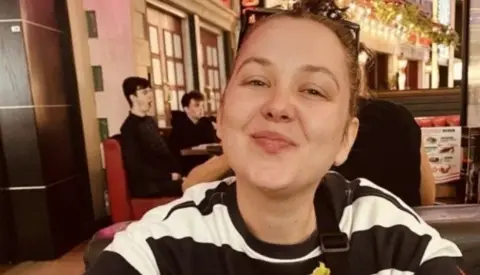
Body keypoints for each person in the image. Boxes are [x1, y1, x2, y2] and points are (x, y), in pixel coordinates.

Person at [87, 1, 463, 274]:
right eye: (256, 81)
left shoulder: (385, 232)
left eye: (313, 90)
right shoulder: (162, 246)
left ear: (346, 138)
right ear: (221, 115)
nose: (278, 105)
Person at [119, 77, 184, 198]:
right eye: (144, 93)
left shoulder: (150, 121)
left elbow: (164, 152)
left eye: (150, 91)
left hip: (164, 179)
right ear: (132, 97)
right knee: (191, 188)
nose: (150, 96)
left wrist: (177, 173)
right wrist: (168, 176)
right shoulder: (128, 128)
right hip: (149, 186)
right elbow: (135, 166)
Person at [169, 91, 217, 174]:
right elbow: (175, 154)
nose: (201, 109)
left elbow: (212, 143)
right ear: (186, 109)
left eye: (202, 106)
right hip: (188, 167)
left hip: (208, 164)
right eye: (197, 105)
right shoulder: (179, 127)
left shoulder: (206, 123)